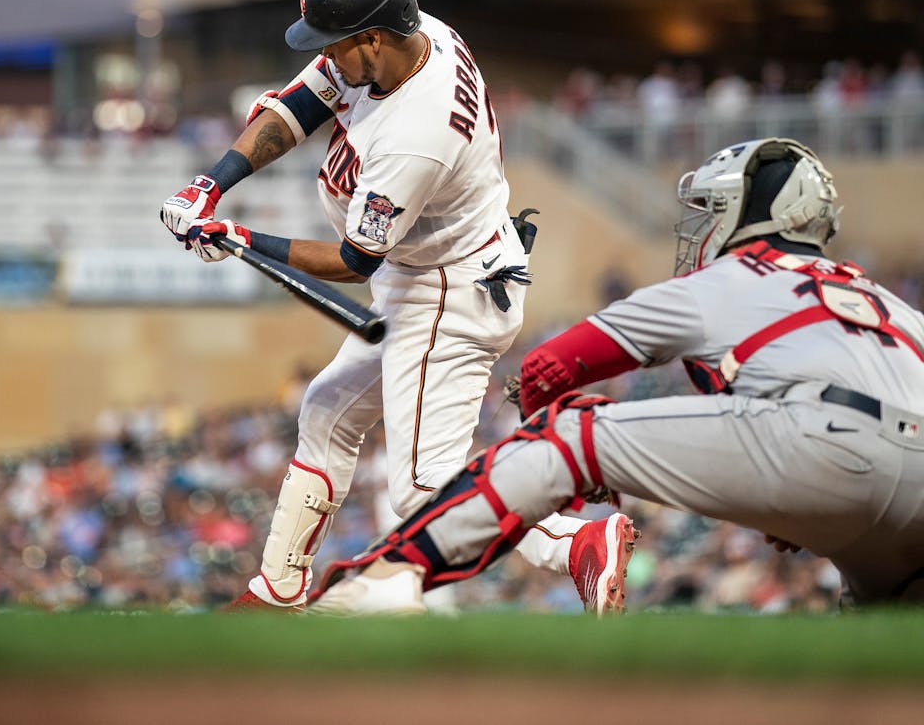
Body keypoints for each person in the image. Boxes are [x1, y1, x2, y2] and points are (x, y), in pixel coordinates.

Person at [159, 0, 615, 612]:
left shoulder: (416, 133)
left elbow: (354, 260)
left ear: (371, 38)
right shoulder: (409, 34)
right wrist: (212, 182)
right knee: (327, 411)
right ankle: (278, 590)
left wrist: (238, 236)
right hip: (428, 274)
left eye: (333, 43)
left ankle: (574, 544)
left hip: (443, 292)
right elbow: (298, 105)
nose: (324, 56)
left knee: (424, 494)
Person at [311, 137, 924, 614]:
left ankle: (380, 579)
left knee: (566, 431)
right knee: (885, 640)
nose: (703, 226)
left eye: (714, 210)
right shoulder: (895, 307)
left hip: (823, 445)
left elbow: (549, 367)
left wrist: (581, 471)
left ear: (754, 214)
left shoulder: (730, 280)